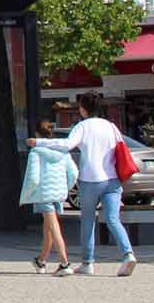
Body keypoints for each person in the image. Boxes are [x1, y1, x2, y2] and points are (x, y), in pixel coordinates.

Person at [33, 93, 135, 276]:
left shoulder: (82, 126)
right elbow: (121, 149)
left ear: (83, 108)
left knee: (87, 220)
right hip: (112, 180)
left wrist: (40, 142)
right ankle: (127, 254)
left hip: (90, 180)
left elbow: (67, 144)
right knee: (113, 219)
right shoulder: (111, 126)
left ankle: (88, 262)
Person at [19, 123, 75, 275]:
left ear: (37, 134)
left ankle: (64, 263)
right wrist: (66, 188)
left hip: (43, 194)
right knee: (48, 228)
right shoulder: (63, 152)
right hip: (58, 194)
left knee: (53, 227)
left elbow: (33, 179)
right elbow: (74, 173)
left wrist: (25, 196)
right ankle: (41, 260)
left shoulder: (35, 152)